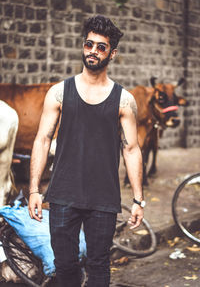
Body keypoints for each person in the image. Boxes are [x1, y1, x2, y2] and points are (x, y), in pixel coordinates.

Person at [28, 15, 144, 287]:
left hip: (103, 198)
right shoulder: (58, 92)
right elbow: (42, 140)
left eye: (101, 47)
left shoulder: (124, 100)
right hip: (63, 195)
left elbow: (132, 150)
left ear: (112, 53)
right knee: (65, 266)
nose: (93, 51)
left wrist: (139, 200)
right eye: (88, 44)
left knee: (99, 267)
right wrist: (34, 190)